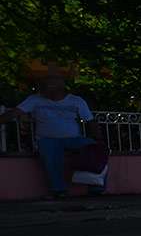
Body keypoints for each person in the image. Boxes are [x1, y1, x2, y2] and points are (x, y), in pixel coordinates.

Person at [0, 64, 104, 198]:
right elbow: (14, 113)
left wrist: (98, 139)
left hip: (73, 138)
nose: (46, 89)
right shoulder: (35, 99)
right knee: (50, 156)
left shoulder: (76, 101)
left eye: (51, 86)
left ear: (60, 88)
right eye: (45, 86)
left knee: (95, 150)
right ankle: (59, 190)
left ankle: (96, 187)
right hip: (47, 138)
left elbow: (90, 121)